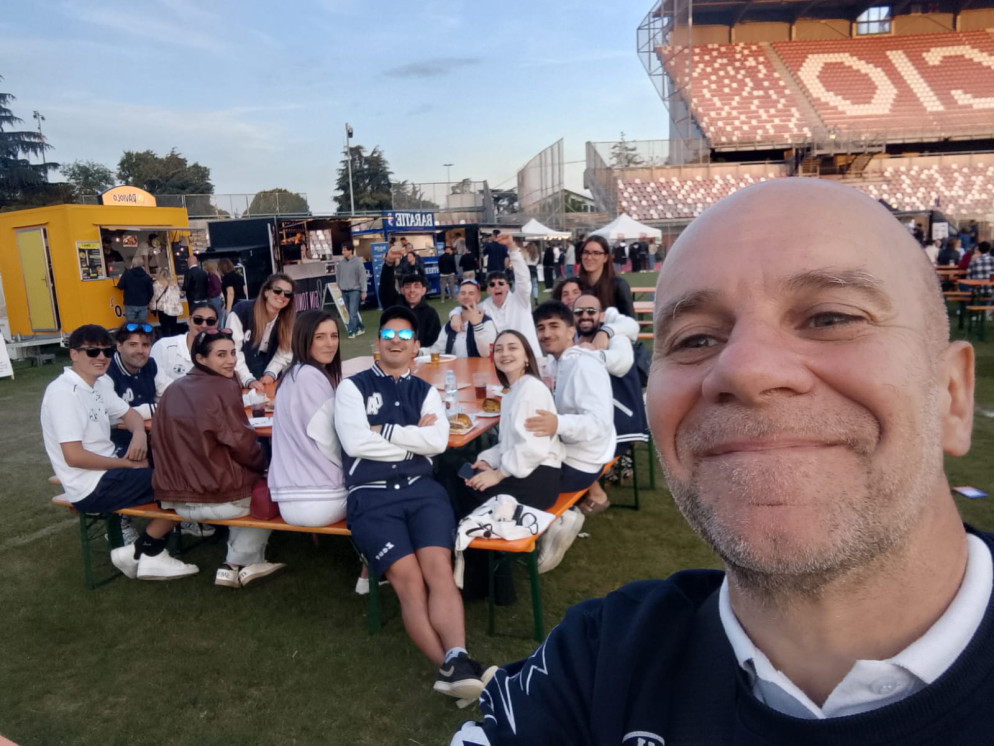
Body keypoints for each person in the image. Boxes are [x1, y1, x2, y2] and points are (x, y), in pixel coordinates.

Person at [453, 177, 986, 744]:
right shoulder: (597, 659)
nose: (746, 371)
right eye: (695, 338)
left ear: (953, 394)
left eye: (831, 318)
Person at [334, 306, 489, 702]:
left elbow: (437, 442)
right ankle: (455, 668)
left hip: (422, 489)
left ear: (417, 346)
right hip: (371, 495)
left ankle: (457, 659)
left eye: (405, 337)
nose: (396, 341)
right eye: (389, 334)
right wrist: (408, 445)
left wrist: (383, 432)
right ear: (377, 341)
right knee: (409, 580)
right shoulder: (352, 387)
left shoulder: (427, 391)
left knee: (438, 569)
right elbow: (355, 443)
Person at [40, 324, 198, 581]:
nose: (101, 357)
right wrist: (127, 464)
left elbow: (130, 414)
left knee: (189, 466)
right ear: (74, 354)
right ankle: (150, 551)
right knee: (185, 483)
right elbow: (74, 456)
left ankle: (140, 552)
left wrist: (138, 435)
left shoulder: (98, 383)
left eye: (106, 351)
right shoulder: (63, 393)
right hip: (90, 485)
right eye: (92, 351)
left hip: (109, 470)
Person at [152, 329, 285, 589]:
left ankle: (239, 564)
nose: (231, 360)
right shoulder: (222, 386)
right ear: (200, 359)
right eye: (221, 355)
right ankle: (237, 563)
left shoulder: (172, 389)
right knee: (271, 489)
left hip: (177, 500)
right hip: (216, 496)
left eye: (233, 353)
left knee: (247, 486)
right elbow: (243, 445)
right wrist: (264, 466)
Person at [526, 300, 615, 572]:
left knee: (508, 478)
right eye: (541, 328)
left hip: (580, 465)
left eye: (554, 326)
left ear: (570, 330)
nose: (546, 334)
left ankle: (561, 518)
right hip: (582, 455)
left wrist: (557, 423)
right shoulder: (562, 362)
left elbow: (598, 423)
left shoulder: (582, 366)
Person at [465, 330, 563, 510]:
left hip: (537, 478)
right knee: (465, 475)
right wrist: (488, 461)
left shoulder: (530, 390)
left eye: (512, 348)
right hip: (523, 468)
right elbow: (510, 443)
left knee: (463, 488)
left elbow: (533, 448)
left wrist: (498, 474)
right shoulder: (513, 391)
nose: (505, 354)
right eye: (499, 350)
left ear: (527, 356)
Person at [269, 310, 347, 528]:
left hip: (288, 498)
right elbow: (331, 441)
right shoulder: (310, 377)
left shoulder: (291, 375)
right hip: (322, 498)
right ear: (304, 339)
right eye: (319, 337)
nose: (330, 343)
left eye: (334, 336)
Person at [571, 292, 647, 513]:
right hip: (598, 416)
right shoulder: (575, 338)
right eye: (579, 312)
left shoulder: (615, 335)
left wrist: (592, 351)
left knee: (565, 439)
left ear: (600, 315)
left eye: (590, 312)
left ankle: (596, 494)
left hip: (621, 420)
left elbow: (621, 363)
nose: (585, 316)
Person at [479, 234, 542, 360]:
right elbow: (467, 311)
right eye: (492, 284)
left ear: (508, 287)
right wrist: (455, 314)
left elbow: (523, 278)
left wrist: (512, 248)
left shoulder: (520, 300)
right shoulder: (483, 307)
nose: (497, 286)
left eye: (501, 283)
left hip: (529, 359)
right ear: (488, 290)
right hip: (502, 363)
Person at [229, 273, 296, 390]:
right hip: (238, 373)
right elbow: (232, 350)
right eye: (277, 290)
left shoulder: (287, 321)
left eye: (288, 293)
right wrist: (248, 379)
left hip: (267, 373)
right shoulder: (241, 311)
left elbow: (284, 353)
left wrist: (271, 373)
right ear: (266, 292)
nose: (282, 296)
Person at [379, 248, 441, 347]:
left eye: (416, 286)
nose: (412, 290)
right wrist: (389, 263)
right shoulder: (394, 307)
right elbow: (386, 287)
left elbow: (435, 343)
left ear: (424, 290)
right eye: (407, 287)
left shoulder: (430, 314)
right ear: (402, 290)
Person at [150, 301, 218, 382]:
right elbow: (157, 380)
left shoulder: (222, 352)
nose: (204, 325)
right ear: (188, 320)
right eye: (198, 320)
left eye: (210, 321)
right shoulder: (163, 346)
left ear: (217, 324)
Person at [429, 280, 498, 358]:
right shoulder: (450, 325)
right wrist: (420, 352)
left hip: (478, 369)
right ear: (458, 297)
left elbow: (488, 353)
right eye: (463, 293)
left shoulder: (486, 323)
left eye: (471, 293)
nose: (466, 296)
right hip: (453, 368)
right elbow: (437, 349)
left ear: (478, 298)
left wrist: (477, 326)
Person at [579, 234, 635, 318]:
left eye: (596, 253)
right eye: (586, 252)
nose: (589, 257)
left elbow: (630, 322)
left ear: (605, 257)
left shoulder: (618, 285)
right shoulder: (575, 286)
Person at [336, 242, 367, 339]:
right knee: (350, 312)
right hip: (344, 291)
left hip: (355, 290)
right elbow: (338, 276)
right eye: (342, 250)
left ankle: (351, 331)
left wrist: (364, 291)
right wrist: (339, 286)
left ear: (350, 250)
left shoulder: (358, 262)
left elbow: (362, 277)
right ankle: (360, 327)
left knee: (353, 312)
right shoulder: (341, 264)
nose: (343, 252)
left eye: (345, 250)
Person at [116, 257, 154, 323]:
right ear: (142, 265)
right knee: (142, 325)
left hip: (130, 303)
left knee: (130, 326)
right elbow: (151, 292)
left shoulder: (127, 274)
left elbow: (120, 286)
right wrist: (146, 301)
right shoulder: (146, 276)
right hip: (142, 304)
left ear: (133, 264)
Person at [149, 266, 184, 336]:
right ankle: (174, 342)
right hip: (173, 308)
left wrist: (152, 306)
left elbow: (155, 297)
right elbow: (178, 294)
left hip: (162, 308)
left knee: (164, 327)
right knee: (174, 326)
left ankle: (166, 343)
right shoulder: (173, 283)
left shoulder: (156, 284)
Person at [219, 257, 247, 326]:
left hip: (233, 305)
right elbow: (245, 291)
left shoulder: (226, 278)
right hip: (242, 303)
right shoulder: (239, 276)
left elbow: (230, 293)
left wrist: (228, 310)